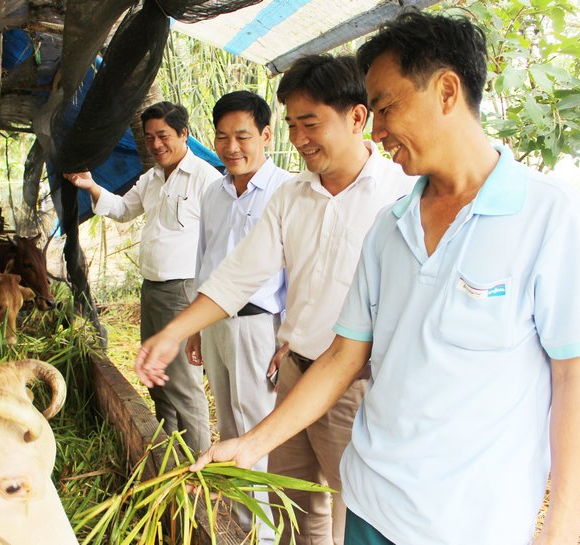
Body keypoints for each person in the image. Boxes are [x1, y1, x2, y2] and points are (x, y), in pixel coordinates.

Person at [183, 10, 580, 545]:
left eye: (385, 107)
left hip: (472, 525)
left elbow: (575, 375)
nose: (377, 128)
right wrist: (251, 444)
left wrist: (563, 524)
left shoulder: (549, 216)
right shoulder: (391, 227)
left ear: (447, 91)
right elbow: (344, 354)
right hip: (370, 504)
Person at [135, 56, 415, 544]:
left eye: (311, 124)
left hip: (358, 384)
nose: (300, 139)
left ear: (356, 117)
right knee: (291, 504)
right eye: (293, 125)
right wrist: (174, 333)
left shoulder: (400, 195)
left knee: (356, 515)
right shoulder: (293, 196)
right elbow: (237, 276)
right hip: (296, 372)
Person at [66, 101, 217, 453]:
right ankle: (169, 453)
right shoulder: (150, 178)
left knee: (181, 381)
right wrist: (91, 186)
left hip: (183, 289)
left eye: (163, 135)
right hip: (152, 289)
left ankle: (199, 463)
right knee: (156, 377)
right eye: (149, 138)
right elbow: (121, 210)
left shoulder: (205, 178)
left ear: (184, 134)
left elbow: (219, 237)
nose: (156, 144)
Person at [186, 90, 292, 543]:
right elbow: (204, 260)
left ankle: (266, 534)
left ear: (266, 135)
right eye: (223, 137)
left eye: (243, 136)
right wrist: (194, 324)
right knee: (228, 422)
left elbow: (299, 268)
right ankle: (243, 525)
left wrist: (289, 334)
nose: (231, 147)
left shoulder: (288, 190)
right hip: (216, 324)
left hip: (258, 327)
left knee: (256, 428)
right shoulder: (215, 192)